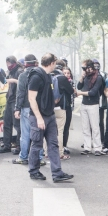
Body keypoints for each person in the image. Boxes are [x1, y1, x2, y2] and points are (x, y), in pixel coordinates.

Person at [27, 53, 73, 183]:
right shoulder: (36, 76)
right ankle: (34, 171)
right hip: (39, 117)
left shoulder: (47, 76)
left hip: (50, 115)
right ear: (52, 63)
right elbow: (31, 98)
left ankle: (57, 173)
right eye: (55, 63)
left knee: (53, 144)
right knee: (37, 145)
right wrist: (39, 118)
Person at [13, 54, 44, 166]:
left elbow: (20, 93)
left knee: (25, 134)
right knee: (38, 134)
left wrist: (17, 108)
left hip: (26, 107)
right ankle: (40, 158)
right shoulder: (41, 74)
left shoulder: (22, 76)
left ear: (25, 63)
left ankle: (23, 157)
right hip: (38, 108)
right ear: (35, 62)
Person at [77, 59, 104, 156]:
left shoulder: (98, 77)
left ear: (90, 68)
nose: (84, 70)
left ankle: (97, 147)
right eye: (83, 68)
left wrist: (80, 93)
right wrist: (81, 77)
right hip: (84, 104)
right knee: (85, 128)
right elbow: (79, 86)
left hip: (93, 104)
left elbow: (93, 92)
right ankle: (87, 147)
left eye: (84, 68)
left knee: (95, 127)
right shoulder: (86, 76)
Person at [0, 56, 24, 153]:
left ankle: (19, 146)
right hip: (10, 98)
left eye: (8, 64)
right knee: (7, 123)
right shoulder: (10, 71)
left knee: (17, 125)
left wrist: (13, 80)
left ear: (12, 62)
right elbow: (5, 80)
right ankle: (7, 145)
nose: (8, 66)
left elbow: (23, 83)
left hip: (15, 99)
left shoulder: (20, 71)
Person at [51, 59, 74, 160]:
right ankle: (60, 152)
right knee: (60, 130)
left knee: (49, 131)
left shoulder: (47, 75)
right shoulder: (62, 78)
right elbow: (71, 91)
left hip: (48, 108)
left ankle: (47, 152)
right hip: (61, 107)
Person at [93, 59, 107, 145]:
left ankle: (102, 139)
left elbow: (105, 87)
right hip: (91, 102)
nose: (96, 66)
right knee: (91, 122)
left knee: (100, 122)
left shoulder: (102, 75)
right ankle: (90, 140)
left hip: (100, 101)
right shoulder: (88, 75)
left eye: (97, 65)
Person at [62, 66, 75, 154]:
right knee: (59, 127)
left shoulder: (71, 82)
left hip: (69, 106)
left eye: (68, 73)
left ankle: (64, 145)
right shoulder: (59, 81)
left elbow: (73, 93)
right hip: (61, 106)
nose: (66, 75)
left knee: (66, 127)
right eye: (65, 73)